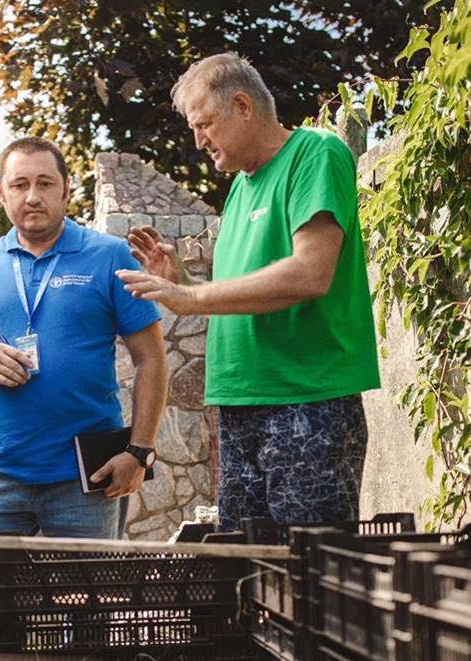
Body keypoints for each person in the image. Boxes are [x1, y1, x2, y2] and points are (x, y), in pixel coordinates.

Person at [117, 52, 380, 531]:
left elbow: (309, 274)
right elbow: (239, 295)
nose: (198, 141)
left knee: (310, 576)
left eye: (204, 124)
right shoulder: (240, 188)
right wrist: (186, 283)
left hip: (307, 402)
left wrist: (193, 299)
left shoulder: (314, 154)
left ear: (242, 105)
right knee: (250, 577)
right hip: (241, 405)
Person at [0, 137, 169, 539]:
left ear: (67, 190)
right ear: (1, 192)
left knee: (87, 600)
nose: (33, 196)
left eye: (45, 183)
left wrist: (139, 452)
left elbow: (152, 359)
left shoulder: (109, 256)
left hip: (87, 476)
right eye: (20, 185)